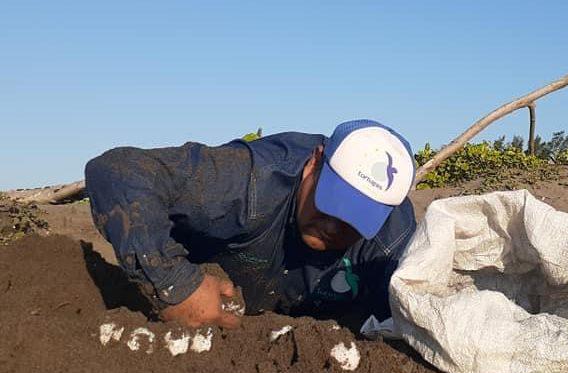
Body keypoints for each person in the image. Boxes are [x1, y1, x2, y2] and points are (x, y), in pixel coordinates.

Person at [85, 120, 417, 329]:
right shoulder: (252, 181)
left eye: (353, 220)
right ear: (314, 163)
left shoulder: (391, 243)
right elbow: (118, 172)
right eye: (331, 204)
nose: (332, 226)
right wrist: (175, 283)